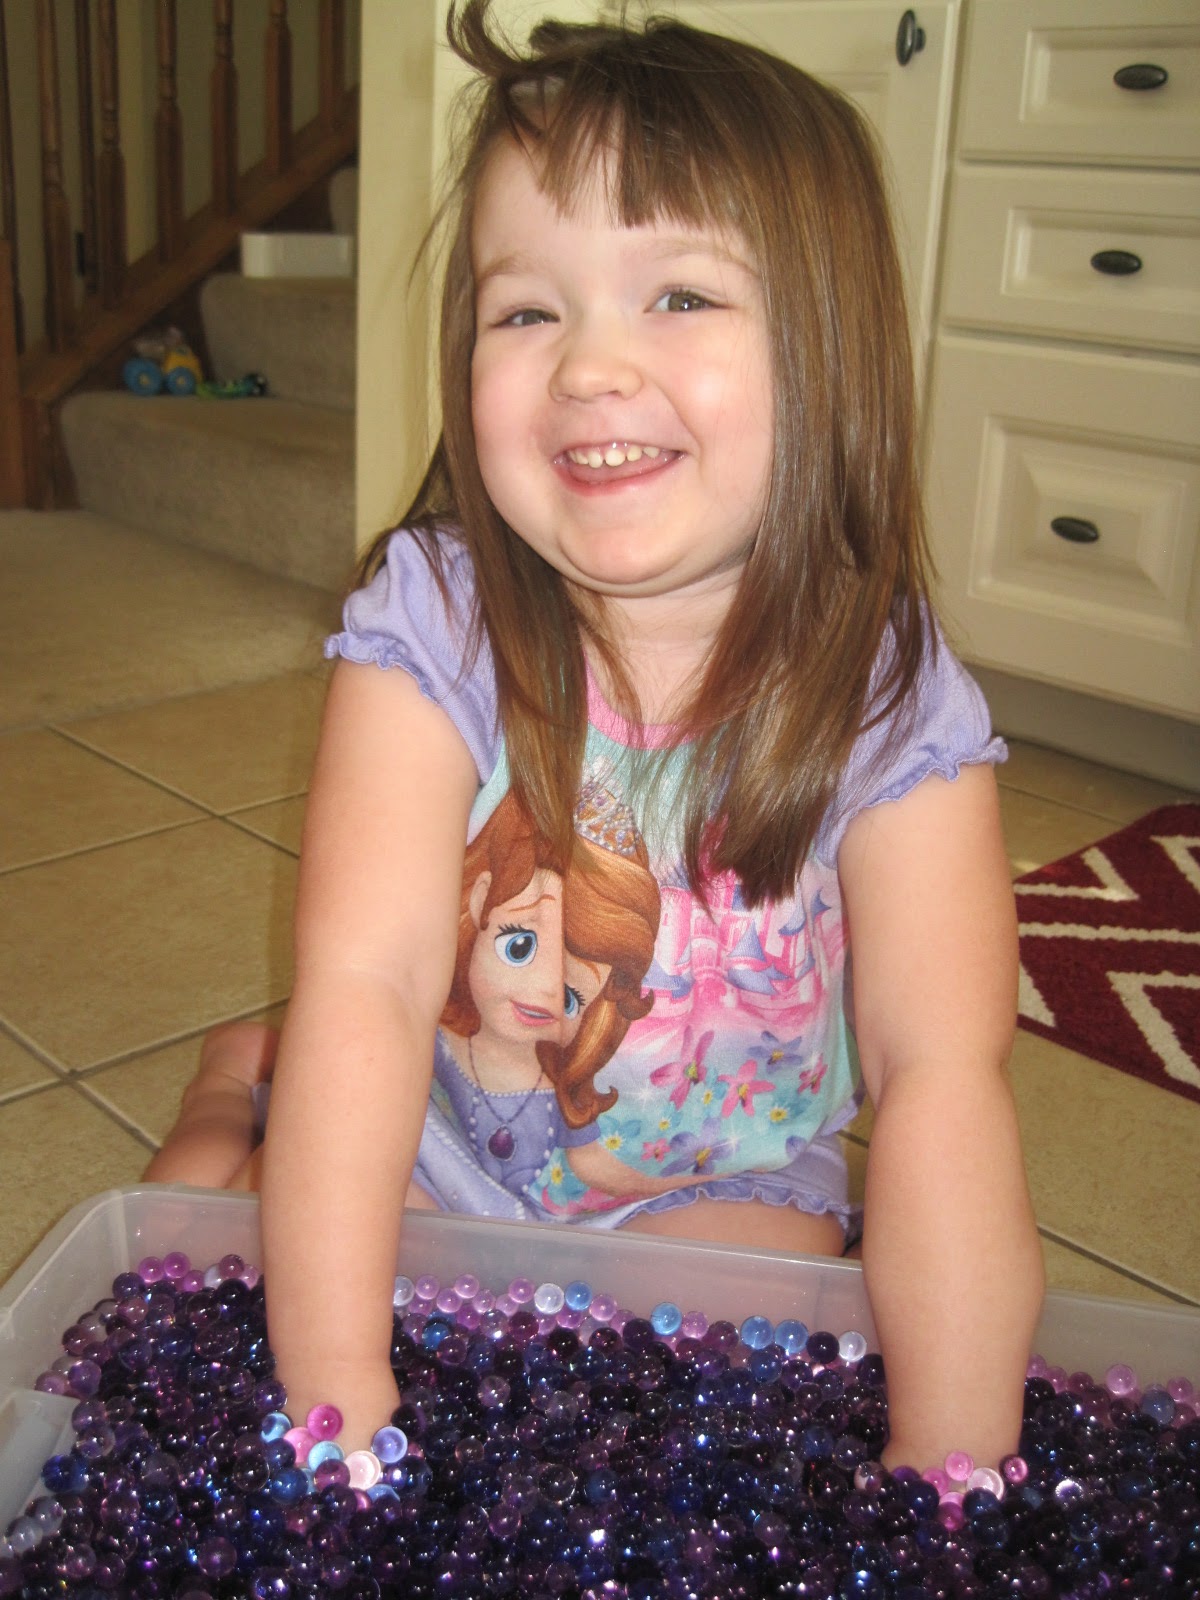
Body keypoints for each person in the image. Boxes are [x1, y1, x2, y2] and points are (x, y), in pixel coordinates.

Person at [147, 0, 1044, 1473]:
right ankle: (224, 1088)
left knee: (755, 1349)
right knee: (210, 1243)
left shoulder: (887, 689)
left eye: (679, 294)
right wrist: (339, 1414)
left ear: (831, 349)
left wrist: (951, 1482)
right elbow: (372, 984)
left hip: (718, 1186)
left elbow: (943, 1074)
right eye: (526, 311)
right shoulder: (434, 619)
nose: (587, 367)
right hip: (437, 1149)